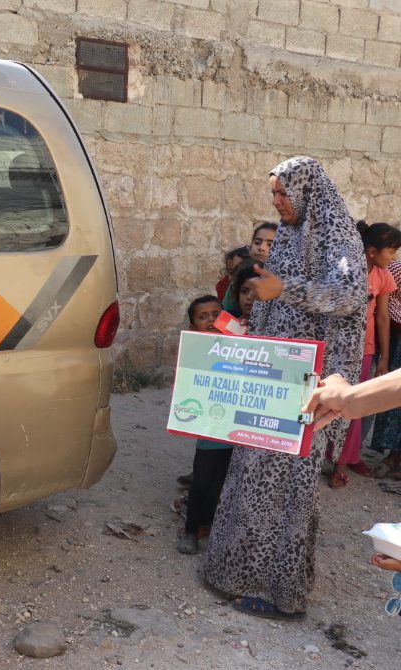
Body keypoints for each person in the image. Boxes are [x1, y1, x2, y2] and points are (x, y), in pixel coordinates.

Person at [203, 156, 366, 622]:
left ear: (307, 190)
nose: (276, 201)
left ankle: (279, 592)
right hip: (270, 375)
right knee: (252, 473)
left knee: (286, 486)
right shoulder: (291, 234)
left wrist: (285, 290)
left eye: (283, 192)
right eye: (273, 192)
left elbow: (350, 295)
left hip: (307, 384)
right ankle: (236, 572)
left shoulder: (339, 238)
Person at [329, 222, 401, 487]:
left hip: (365, 349)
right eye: (391, 251)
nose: (394, 257)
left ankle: (341, 464)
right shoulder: (347, 270)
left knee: (354, 406)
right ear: (372, 251)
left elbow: (382, 317)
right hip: (335, 346)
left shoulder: (384, 276)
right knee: (326, 400)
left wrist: (383, 358)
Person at [177, 296, 233, 555]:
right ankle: (190, 530)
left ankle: (212, 526)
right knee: (202, 481)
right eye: (203, 317)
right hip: (210, 430)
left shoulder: (243, 344)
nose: (211, 320)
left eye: (216, 314)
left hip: (238, 429)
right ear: (193, 326)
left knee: (224, 481)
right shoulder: (195, 351)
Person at [369, 254, 401, 479]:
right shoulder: (397, 269)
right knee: (394, 399)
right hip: (397, 343)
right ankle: (390, 457)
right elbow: (386, 303)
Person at [222, 224, 276, 313]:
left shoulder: (282, 280)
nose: (261, 248)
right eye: (257, 243)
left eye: (270, 245)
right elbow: (228, 312)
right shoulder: (238, 280)